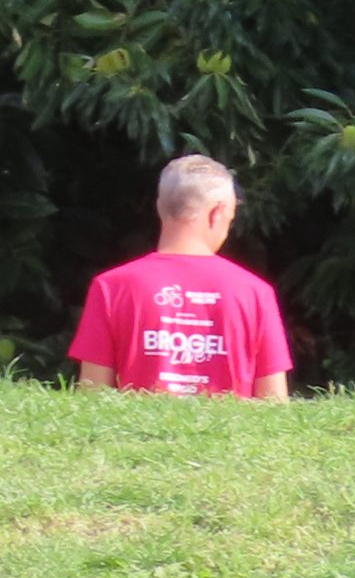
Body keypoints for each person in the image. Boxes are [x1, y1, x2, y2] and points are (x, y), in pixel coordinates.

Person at [68, 154, 291, 399]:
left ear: (159, 207)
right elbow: (274, 405)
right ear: (217, 213)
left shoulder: (111, 287)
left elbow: (93, 397)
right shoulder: (255, 293)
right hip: (229, 426)